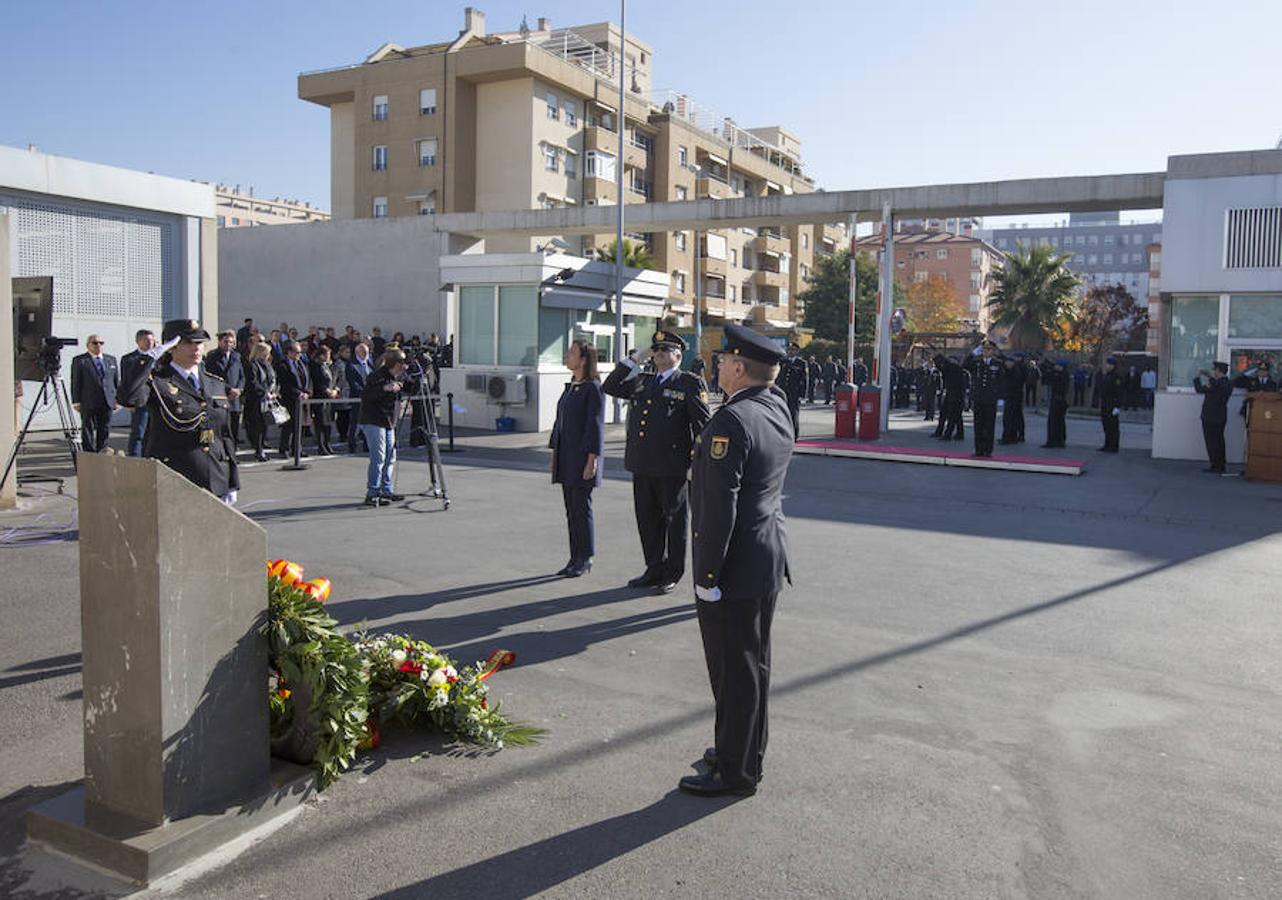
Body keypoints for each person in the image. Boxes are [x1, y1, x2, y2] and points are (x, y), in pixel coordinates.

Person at [681, 323, 794, 798]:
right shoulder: (777, 405)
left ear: (740, 368)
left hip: (735, 567)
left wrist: (707, 576)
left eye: (724, 360)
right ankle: (741, 752)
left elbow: (718, 507)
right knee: (752, 667)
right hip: (766, 557)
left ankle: (736, 772)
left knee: (734, 673)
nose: (718, 365)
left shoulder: (730, 421)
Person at [602, 330, 711, 594]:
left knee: (674, 520)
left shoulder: (689, 383)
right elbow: (610, 386)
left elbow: (703, 426)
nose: (659, 353)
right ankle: (653, 568)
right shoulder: (642, 380)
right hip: (642, 463)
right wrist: (635, 359)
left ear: (678, 355)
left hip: (672, 466)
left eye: (665, 350)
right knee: (647, 520)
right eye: (656, 350)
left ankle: (672, 572)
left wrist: (696, 463)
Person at [117, 319, 239, 501]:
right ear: (171, 347)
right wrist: (149, 358)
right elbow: (128, 398)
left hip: (215, 478)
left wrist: (232, 481)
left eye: (199, 343)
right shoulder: (157, 381)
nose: (196, 348)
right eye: (187, 343)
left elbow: (225, 435)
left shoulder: (215, 383)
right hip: (176, 479)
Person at [549, 340, 605, 578]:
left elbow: (595, 427)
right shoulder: (572, 385)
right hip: (566, 456)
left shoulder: (593, 388)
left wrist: (592, 459)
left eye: (572, 352)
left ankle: (586, 557)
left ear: (583, 360)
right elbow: (559, 422)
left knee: (582, 509)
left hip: (582, 458)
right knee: (571, 510)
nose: (567, 355)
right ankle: (574, 557)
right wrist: (554, 451)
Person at [357, 347, 408, 505]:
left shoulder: (396, 377)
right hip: (373, 419)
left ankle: (386, 489)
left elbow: (406, 389)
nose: (403, 366)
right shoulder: (377, 376)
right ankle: (372, 492)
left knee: (390, 457)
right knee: (378, 458)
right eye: (402, 363)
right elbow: (366, 396)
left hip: (387, 420)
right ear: (395, 364)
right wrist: (384, 388)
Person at [70, 334, 120, 452]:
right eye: (95, 343)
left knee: (104, 427)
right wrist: (76, 401)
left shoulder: (110, 360)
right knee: (88, 428)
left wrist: (117, 399)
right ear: (88, 345)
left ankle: (102, 451)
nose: (98, 345)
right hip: (89, 400)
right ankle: (89, 452)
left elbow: (115, 380)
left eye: (101, 343)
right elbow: (76, 381)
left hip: (107, 399)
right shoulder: (80, 361)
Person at [204, 330, 244, 449]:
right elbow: (211, 377)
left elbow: (242, 375)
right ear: (220, 342)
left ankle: (233, 449)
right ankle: (221, 449)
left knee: (234, 425)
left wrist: (239, 389)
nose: (228, 344)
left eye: (231, 342)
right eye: (225, 342)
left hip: (235, 397)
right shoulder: (212, 356)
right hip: (220, 396)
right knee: (221, 425)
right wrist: (228, 389)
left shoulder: (236, 356)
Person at [119, 329, 156, 457]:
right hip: (140, 401)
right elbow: (127, 382)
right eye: (146, 340)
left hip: (158, 400)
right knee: (139, 431)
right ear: (138, 341)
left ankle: (151, 456)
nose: (150, 343)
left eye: (152, 340)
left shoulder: (159, 357)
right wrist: (129, 402)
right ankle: (135, 458)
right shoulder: (129, 359)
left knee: (154, 432)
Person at [964, 341, 1003, 457]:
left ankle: (988, 450)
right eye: (984, 349)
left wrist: (1001, 398)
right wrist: (973, 353)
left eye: (989, 349)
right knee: (978, 424)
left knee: (989, 425)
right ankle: (978, 449)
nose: (986, 351)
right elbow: (965, 365)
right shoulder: (976, 362)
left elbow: (1001, 381)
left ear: (993, 351)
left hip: (991, 398)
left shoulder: (998, 363)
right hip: (979, 397)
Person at [1194, 362, 1233, 474]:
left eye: (1215, 370)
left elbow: (1219, 386)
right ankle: (1215, 464)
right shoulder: (1216, 383)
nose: (1214, 372)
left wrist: (1208, 376)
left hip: (1215, 417)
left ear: (1219, 371)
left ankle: (1219, 465)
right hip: (1210, 416)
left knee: (1216, 442)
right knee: (1212, 442)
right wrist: (1198, 377)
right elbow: (1199, 389)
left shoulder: (1226, 383)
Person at [243, 341, 278, 462]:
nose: (267, 355)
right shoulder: (252, 364)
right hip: (256, 400)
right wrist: (264, 392)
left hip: (267, 400)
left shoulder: (267, 365)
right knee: (257, 426)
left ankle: (262, 447)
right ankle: (258, 450)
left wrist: (273, 392)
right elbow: (253, 382)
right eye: (266, 353)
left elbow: (272, 380)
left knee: (264, 425)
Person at [276, 341, 311, 459]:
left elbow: (305, 379)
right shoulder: (283, 365)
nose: (299, 354)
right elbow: (286, 383)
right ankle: (284, 448)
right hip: (289, 399)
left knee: (299, 425)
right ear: (289, 352)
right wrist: (298, 393)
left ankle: (297, 448)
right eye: (297, 352)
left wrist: (306, 392)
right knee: (288, 425)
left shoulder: (301, 363)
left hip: (301, 399)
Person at [309, 344, 339, 455]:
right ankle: (321, 446)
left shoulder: (327, 366)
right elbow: (317, 382)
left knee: (329, 422)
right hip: (320, 397)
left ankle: (327, 443)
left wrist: (335, 390)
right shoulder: (315, 366)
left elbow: (334, 380)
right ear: (321, 355)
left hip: (329, 398)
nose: (328, 356)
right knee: (320, 423)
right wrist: (326, 391)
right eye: (327, 354)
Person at [345, 342, 373, 453]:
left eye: (367, 352)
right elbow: (353, 383)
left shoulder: (369, 363)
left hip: (370, 399)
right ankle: (352, 445)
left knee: (368, 423)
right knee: (355, 422)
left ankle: (367, 445)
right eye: (363, 352)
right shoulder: (351, 365)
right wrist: (365, 392)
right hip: (358, 398)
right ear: (357, 352)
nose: (366, 354)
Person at [777, 343, 808, 439]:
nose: (790, 351)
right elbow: (778, 377)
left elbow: (804, 379)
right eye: (789, 349)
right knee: (782, 413)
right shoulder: (782, 361)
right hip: (783, 392)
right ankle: (783, 434)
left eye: (793, 350)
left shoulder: (801, 363)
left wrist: (802, 394)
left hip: (794, 392)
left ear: (797, 351)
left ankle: (794, 435)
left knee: (793, 414)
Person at [1040, 359, 1070, 449]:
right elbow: (1046, 378)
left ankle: (1054, 440)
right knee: (1059, 421)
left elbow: (1052, 379)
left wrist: (1050, 369)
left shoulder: (1062, 375)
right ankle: (1059, 440)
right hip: (1058, 399)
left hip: (1058, 400)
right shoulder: (1060, 374)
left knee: (1054, 421)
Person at [999, 352, 1027, 445]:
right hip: (1011, 396)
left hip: (1014, 396)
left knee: (1011, 417)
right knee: (1013, 417)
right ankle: (1012, 436)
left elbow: (1016, 383)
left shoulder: (1018, 370)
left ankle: (1009, 437)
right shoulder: (1009, 370)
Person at [1097, 356, 1123, 453]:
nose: (1106, 366)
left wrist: (1117, 406)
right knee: (1106, 426)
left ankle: (1113, 446)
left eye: (1108, 364)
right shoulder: (1107, 376)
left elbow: (1119, 392)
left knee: (1113, 427)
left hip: (1112, 405)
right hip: (1105, 404)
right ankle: (1107, 444)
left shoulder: (1116, 377)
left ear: (1113, 365)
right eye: (1107, 364)